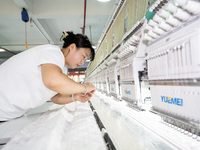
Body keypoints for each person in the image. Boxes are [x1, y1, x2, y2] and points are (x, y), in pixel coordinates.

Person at [0, 31, 96, 121]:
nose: (82, 62)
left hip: (8, 114)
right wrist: (84, 88)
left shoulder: (62, 69)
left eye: (85, 59)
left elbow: (55, 97)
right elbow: (52, 81)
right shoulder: (52, 52)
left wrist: (76, 97)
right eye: (83, 56)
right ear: (72, 47)